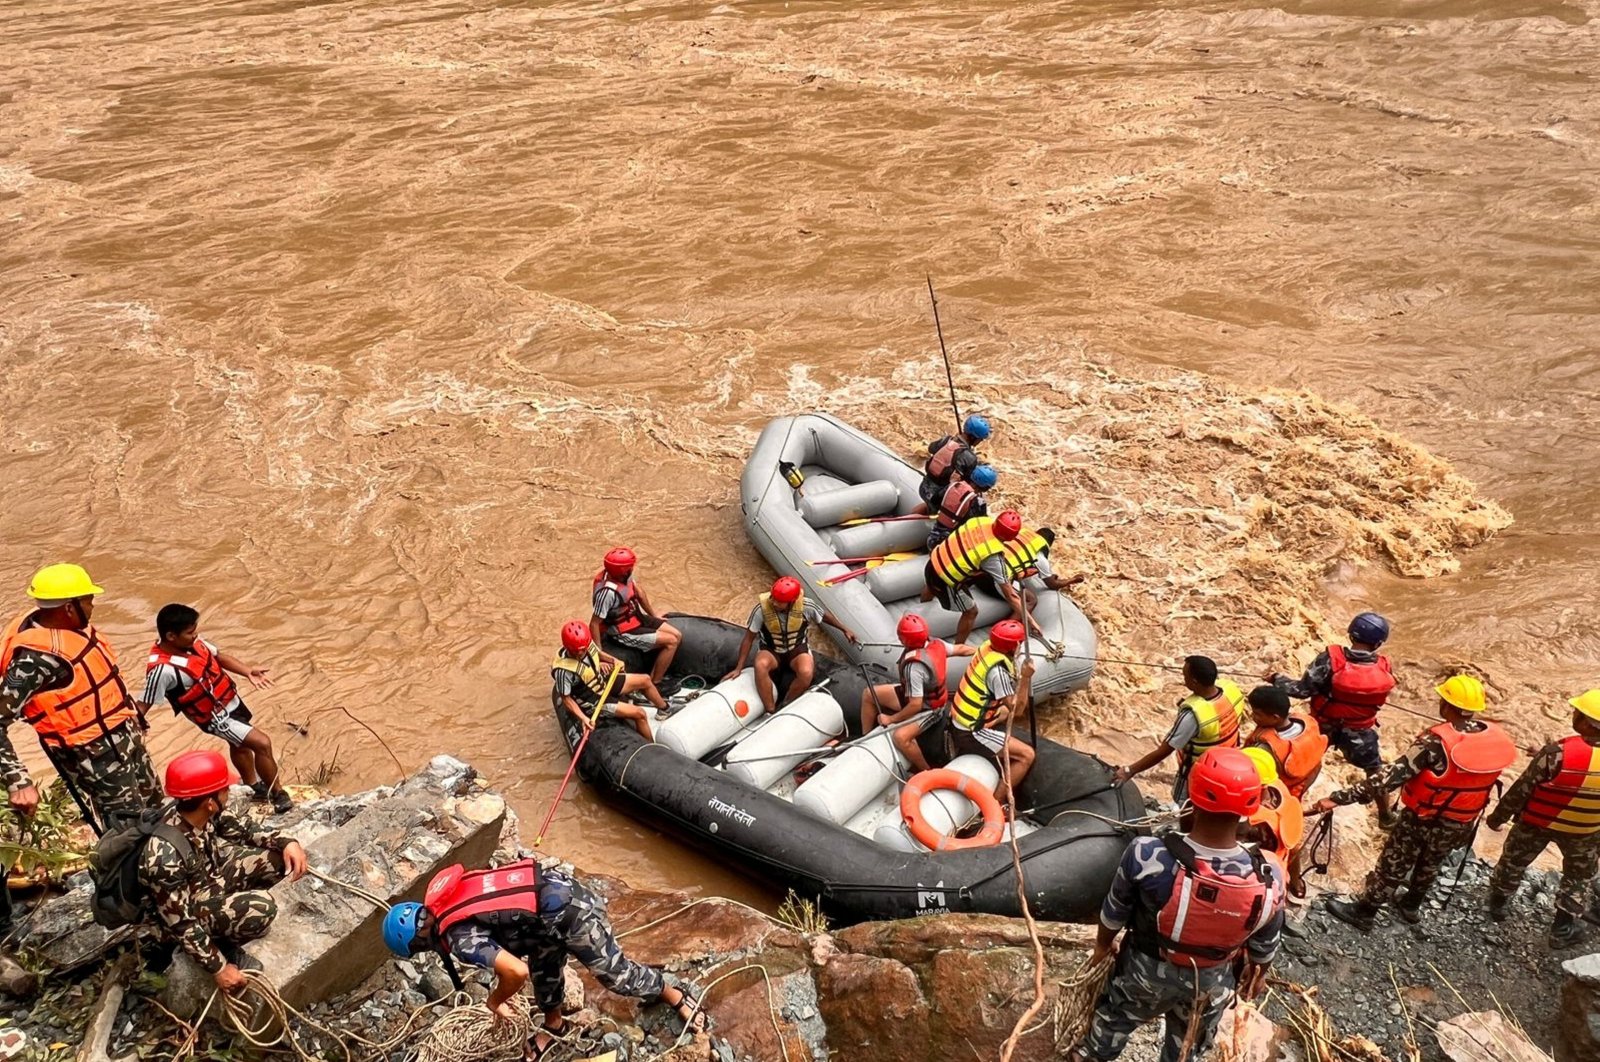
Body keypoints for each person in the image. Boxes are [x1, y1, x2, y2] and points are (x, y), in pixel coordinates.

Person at [1065, 747, 1286, 1062]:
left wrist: (1102, 948)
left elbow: (1114, 913)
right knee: (1187, 1048)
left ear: (1192, 798)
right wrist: (1259, 973)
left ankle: (1092, 1057)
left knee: (1114, 1020)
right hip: (1210, 980)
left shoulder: (1146, 854)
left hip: (1144, 970)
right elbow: (1265, 945)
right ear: (1250, 806)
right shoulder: (1270, 874)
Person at [382, 860, 707, 1059]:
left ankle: (671, 993)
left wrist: (495, 1001)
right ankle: (555, 1024)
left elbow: (514, 971)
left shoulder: (459, 938)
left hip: (571, 911)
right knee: (545, 969)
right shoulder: (445, 901)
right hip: (544, 912)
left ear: (419, 946)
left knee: (614, 975)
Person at [1309, 674, 1515, 931]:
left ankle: (1365, 912)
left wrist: (1338, 798)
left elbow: (1389, 778)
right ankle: (1411, 905)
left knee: (1393, 862)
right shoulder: (1493, 739)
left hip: (1424, 817)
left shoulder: (1435, 743)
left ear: (1446, 705)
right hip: (1462, 820)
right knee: (1432, 860)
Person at [0, 564, 160, 833]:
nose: (93, 606)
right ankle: (130, 872)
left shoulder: (68, 627)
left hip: (124, 736)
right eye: (88, 600)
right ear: (69, 608)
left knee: (156, 805)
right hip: (96, 760)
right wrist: (18, 781)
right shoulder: (34, 662)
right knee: (130, 830)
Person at [139, 750, 308, 993]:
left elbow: (245, 830)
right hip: (181, 913)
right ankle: (223, 944)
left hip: (207, 881)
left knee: (278, 861)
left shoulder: (202, 811)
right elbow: (180, 923)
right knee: (262, 908)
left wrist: (286, 842)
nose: (228, 793)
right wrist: (218, 967)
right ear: (210, 801)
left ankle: (226, 921)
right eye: (224, 789)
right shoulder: (164, 858)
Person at [141, 604, 291, 814]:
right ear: (171, 636)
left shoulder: (194, 643)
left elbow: (219, 657)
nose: (196, 635)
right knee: (262, 743)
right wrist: (135, 725)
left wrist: (248, 671)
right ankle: (277, 794)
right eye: (190, 632)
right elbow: (144, 703)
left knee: (239, 744)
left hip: (230, 700)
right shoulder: (161, 671)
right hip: (215, 717)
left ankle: (253, 786)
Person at [1485, 689, 1600, 947]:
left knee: (1513, 862)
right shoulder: (1553, 752)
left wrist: (1497, 818)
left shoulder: (1556, 753)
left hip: (1537, 822)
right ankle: (1561, 931)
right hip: (1585, 831)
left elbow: (1521, 790)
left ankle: (1498, 906)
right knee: (1578, 878)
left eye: (1577, 712)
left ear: (1585, 722)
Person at [1268, 612, 1398, 827]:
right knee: (1375, 771)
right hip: (1359, 730)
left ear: (1350, 634)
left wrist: (1276, 679)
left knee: (1306, 762)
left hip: (1323, 724)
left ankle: (1284, 805)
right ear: (1378, 643)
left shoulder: (1330, 658)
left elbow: (1302, 690)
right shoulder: (1384, 665)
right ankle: (1386, 816)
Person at [1114, 657, 1247, 804]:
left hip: (1199, 774)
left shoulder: (1192, 716)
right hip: (1228, 766)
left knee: (1185, 806)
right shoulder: (1231, 689)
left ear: (1195, 682)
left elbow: (1164, 751)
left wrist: (1129, 771)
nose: (1184, 680)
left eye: (1185, 676)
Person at [723, 577, 858, 716]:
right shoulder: (761, 610)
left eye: (779, 601)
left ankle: (786, 704)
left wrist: (844, 629)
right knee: (760, 665)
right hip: (771, 650)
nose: (774, 603)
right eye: (773, 598)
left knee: (806, 672)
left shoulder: (807, 606)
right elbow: (748, 639)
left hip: (796, 649)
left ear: (791, 602)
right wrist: (739, 668)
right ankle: (770, 709)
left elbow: (824, 616)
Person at [859, 614, 975, 769]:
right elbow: (960, 649)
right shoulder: (937, 644)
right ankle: (865, 738)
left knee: (901, 738)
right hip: (919, 694)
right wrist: (980, 650)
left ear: (904, 639)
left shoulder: (914, 668)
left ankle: (925, 770)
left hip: (930, 709)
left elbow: (915, 705)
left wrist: (891, 719)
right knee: (869, 694)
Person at [946, 619, 1035, 805]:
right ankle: (995, 803)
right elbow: (1017, 710)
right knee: (1027, 755)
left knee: (1002, 711)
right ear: (1013, 646)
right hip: (971, 730)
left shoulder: (987, 647)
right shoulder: (998, 673)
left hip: (964, 714)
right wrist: (1026, 678)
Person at [921, 510, 1023, 646]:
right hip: (946, 580)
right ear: (1011, 537)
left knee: (930, 585)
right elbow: (1011, 595)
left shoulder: (980, 521)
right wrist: (1030, 621)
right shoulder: (992, 556)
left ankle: (922, 606)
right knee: (971, 612)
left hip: (934, 561)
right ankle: (959, 646)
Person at [553, 622, 663, 742]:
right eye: (578, 651)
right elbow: (566, 699)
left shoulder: (585, 644)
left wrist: (614, 660)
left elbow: (598, 653)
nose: (582, 652)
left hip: (602, 682)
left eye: (584, 648)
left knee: (645, 680)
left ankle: (664, 709)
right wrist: (583, 719)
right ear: (569, 648)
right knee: (640, 714)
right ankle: (652, 747)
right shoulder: (563, 671)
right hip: (594, 701)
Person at [588, 548, 682, 686]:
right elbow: (594, 623)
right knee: (671, 641)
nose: (633, 569)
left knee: (677, 635)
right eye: (630, 567)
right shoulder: (607, 593)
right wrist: (599, 653)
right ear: (623, 571)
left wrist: (654, 616)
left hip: (636, 618)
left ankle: (657, 671)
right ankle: (656, 682)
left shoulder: (624, 576)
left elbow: (639, 594)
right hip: (622, 631)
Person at [979, 526, 1084, 639]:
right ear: (1049, 544)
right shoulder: (1039, 555)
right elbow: (1052, 584)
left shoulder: (1023, 534)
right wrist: (1073, 580)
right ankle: (1003, 633)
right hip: (994, 581)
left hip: (982, 569)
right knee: (1030, 600)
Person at [1241, 746, 1307, 895]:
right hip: (1281, 866)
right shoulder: (1277, 787)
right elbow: (1294, 847)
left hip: (1262, 881)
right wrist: (1294, 879)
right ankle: (1294, 883)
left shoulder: (1255, 824)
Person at [1244, 685, 1329, 800]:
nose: (1252, 716)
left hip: (1280, 792)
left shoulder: (1265, 749)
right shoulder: (1306, 722)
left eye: (1257, 714)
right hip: (1304, 782)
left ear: (1275, 717)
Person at [914, 414, 990, 513]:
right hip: (937, 497)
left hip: (924, 487)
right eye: (980, 439)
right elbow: (969, 482)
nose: (980, 442)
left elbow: (931, 448)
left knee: (928, 506)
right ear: (973, 437)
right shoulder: (970, 457)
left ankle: (918, 512)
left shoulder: (947, 440)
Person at [925, 464, 996, 551]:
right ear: (986, 488)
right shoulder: (978, 502)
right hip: (946, 545)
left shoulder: (954, 485)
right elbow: (979, 526)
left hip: (932, 537)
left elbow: (934, 500)